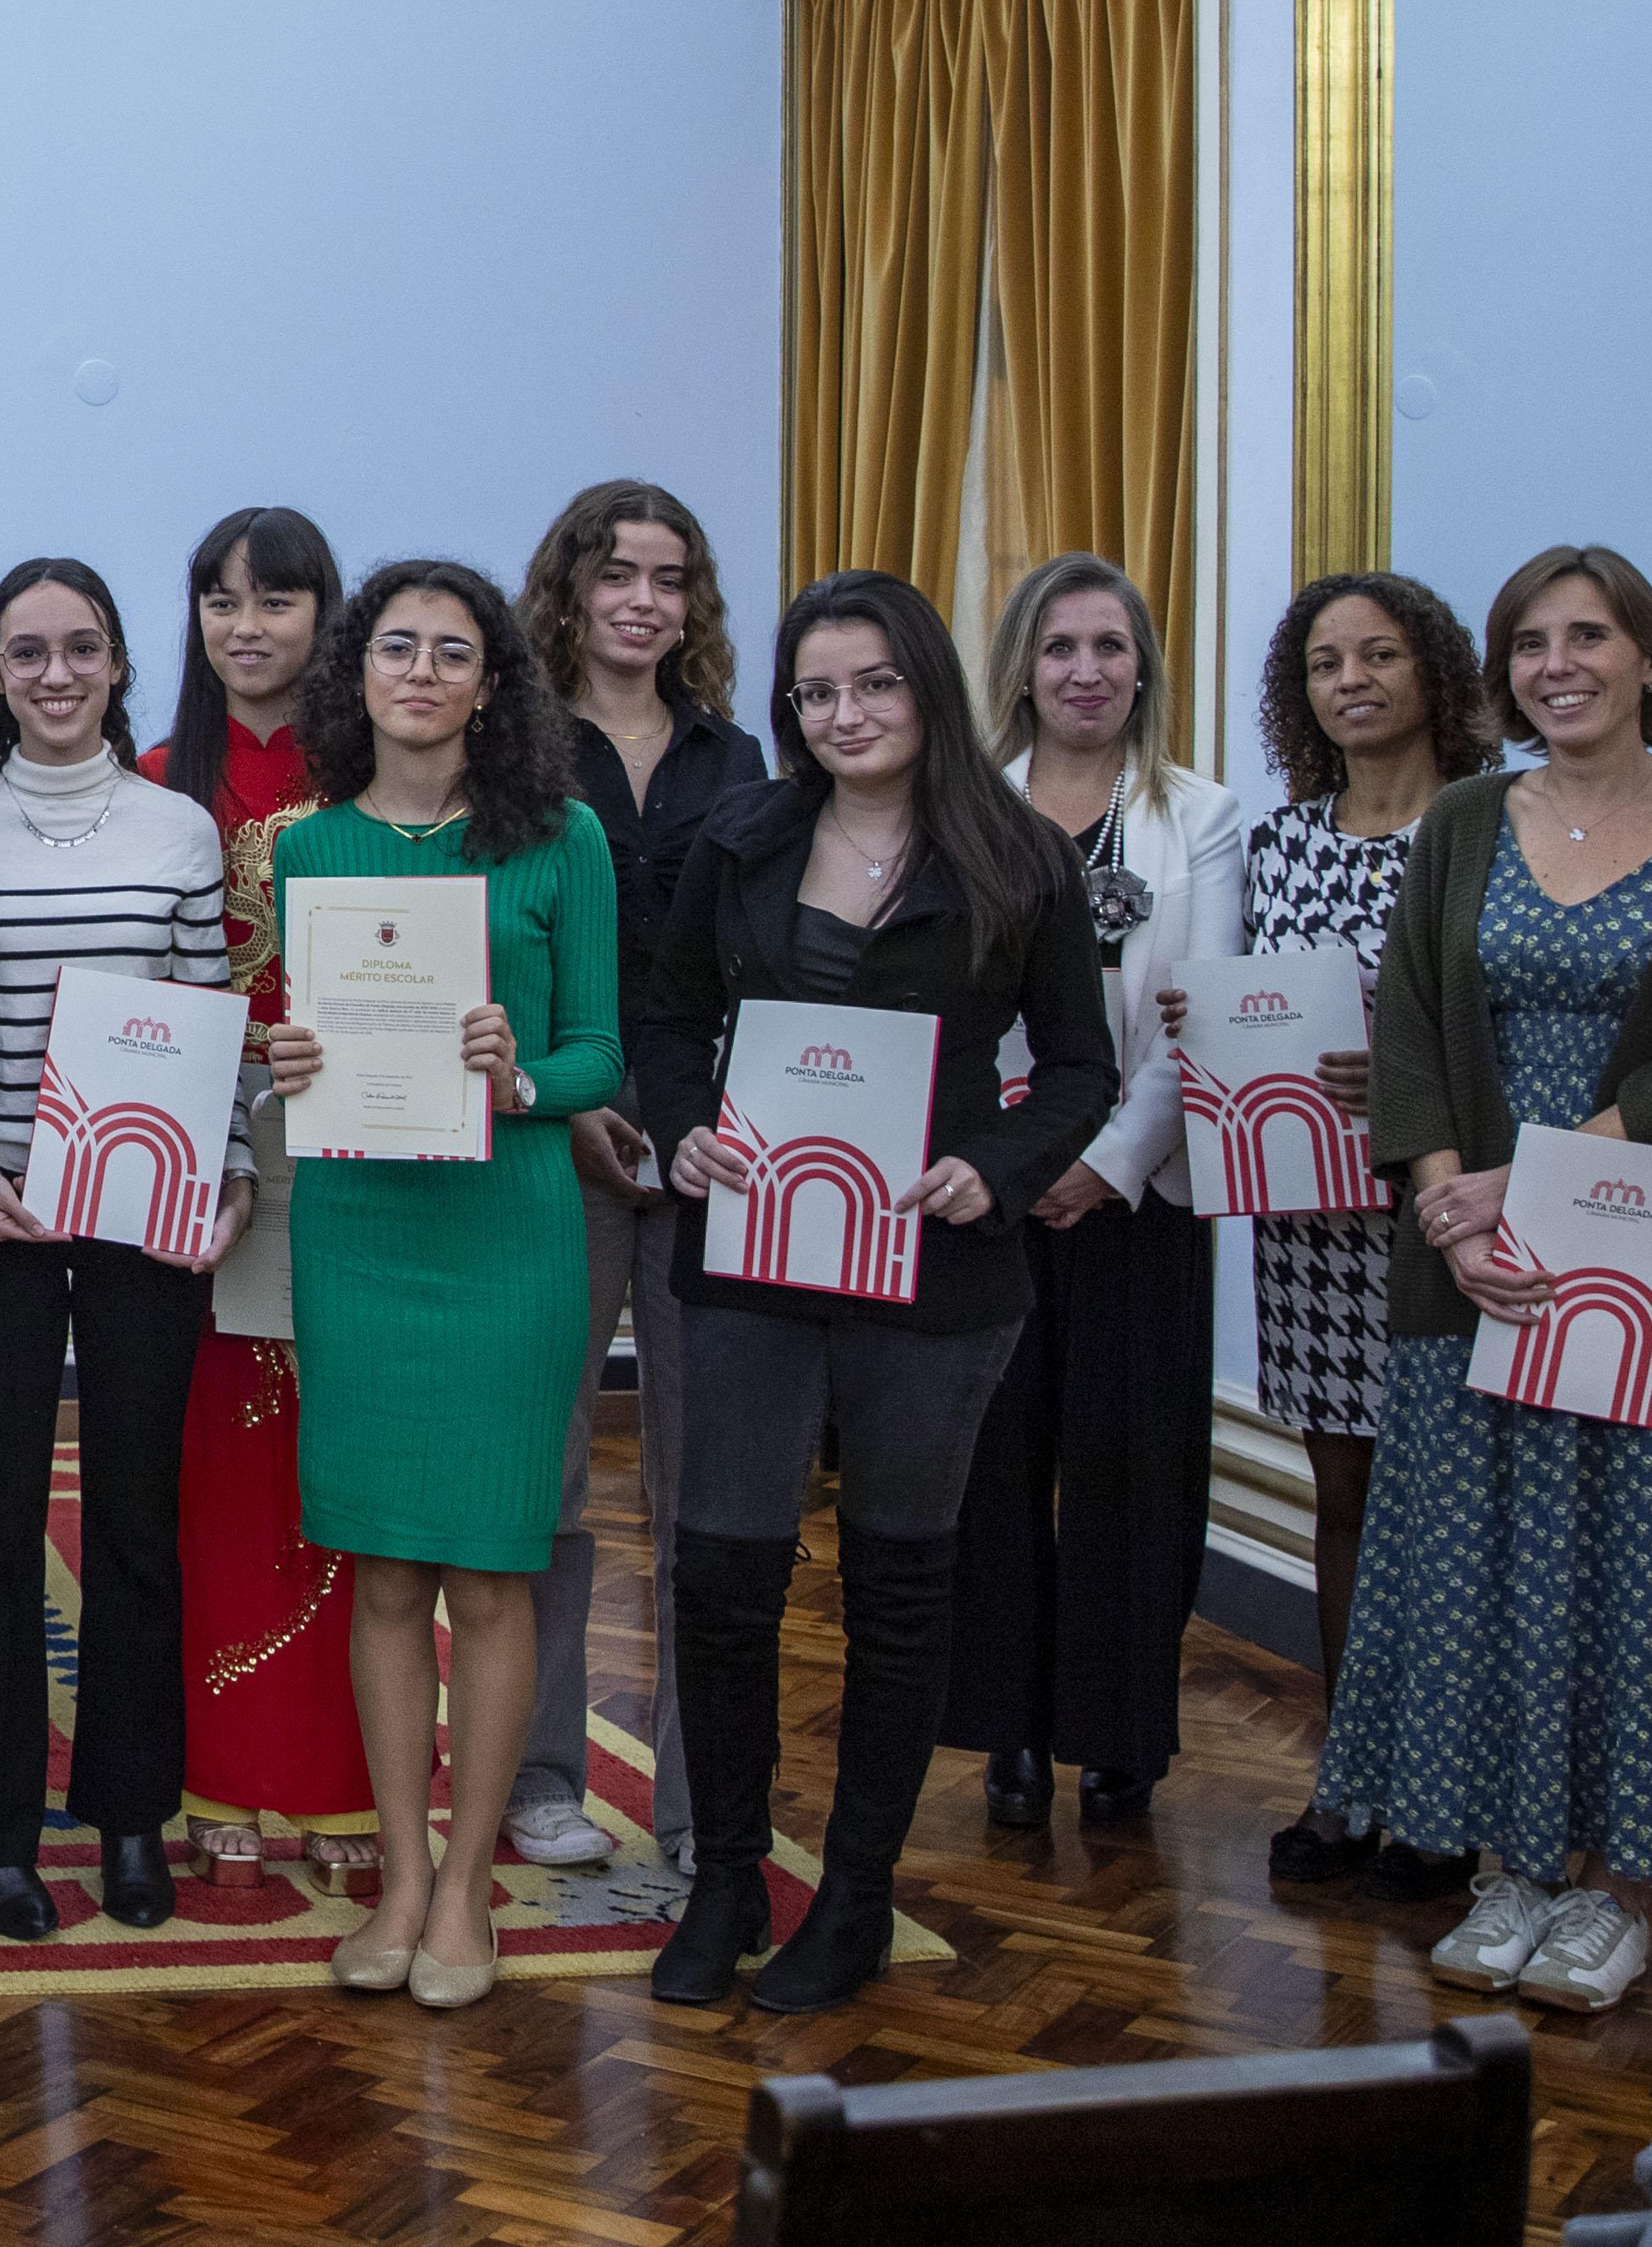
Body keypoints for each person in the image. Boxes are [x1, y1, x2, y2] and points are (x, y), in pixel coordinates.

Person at [1319, 545, 1652, 2016]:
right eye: (1530, 642)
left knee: (1637, 1579)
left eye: (1589, 636)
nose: (1558, 664)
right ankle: (1508, 1872)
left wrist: (1534, 1180)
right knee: (1482, 1577)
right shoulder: (1465, 821)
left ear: (1649, 658)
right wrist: (1448, 1211)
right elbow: (1405, 1027)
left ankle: (1607, 1893)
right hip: (1475, 1270)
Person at [636, 569, 1116, 2015]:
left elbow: (1084, 1068)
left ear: (929, 688)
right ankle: (725, 1881)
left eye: (873, 684)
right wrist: (687, 1128)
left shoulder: (1022, 857)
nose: (844, 714)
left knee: (901, 1587)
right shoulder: (741, 839)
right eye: (816, 693)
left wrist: (997, 1165)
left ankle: (850, 1901)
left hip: (940, 1271)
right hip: (754, 1258)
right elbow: (665, 1021)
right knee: (724, 1576)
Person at [253, 557, 620, 2009]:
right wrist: (282, 1062)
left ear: (492, 682)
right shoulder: (308, 850)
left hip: (508, 1235)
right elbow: (310, 1045)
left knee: (492, 1565)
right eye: (395, 647)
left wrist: (520, 1075)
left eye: (451, 651)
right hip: (360, 1231)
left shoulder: (561, 840)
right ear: (357, 677)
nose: (420, 671)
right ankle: (400, 1878)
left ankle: (471, 1890)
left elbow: (600, 1054)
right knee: (388, 1566)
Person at [0, 558, 252, 1942]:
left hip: (146, 1213)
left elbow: (208, 1016)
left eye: (82, 650)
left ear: (120, 665)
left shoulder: (182, 830)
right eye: (26, 654)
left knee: (133, 1518)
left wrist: (227, 1170)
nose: (55, 675)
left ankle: (132, 1818)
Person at [952, 554, 1245, 1835]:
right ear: (1022, 667)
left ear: (1144, 666)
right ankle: (1010, 1728)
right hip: (985, 1192)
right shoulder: (964, 810)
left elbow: (1211, 1016)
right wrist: (1022, 1167)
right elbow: (951, 1009)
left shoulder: (1205, 817)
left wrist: (1108, 1162)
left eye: (1110, 647)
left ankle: (1122, 1730)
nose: (1086, 671)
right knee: (995, 1463)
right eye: (1060, 647)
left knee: (1134, 1468)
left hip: (1144, 1193)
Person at [1217, 569, 1497, 1892]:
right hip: (1310, 1228)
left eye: (1381, 655)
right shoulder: (1277, 843)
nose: (1354, 683)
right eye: (1328, 664)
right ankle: (1352, 1781)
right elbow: (1252, 1000)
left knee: (1453, 1508)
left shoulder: (1492, 828)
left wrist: (1401, 1077)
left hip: (1448, 1216)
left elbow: (1512, 1033)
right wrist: (1213, 1039)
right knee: (1344, 1496)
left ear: (1437, 674)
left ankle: (1448, 1796)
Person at [510, 480, 763, 1877]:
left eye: (671, 578)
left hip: (714, 1160)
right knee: (547, 1481)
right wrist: (573, 1110)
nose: (644, 600)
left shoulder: (741, 761)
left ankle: (692, 1802)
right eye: (618, 574)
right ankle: (542, 1772)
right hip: (559, 1143)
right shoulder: (515, 750)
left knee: (700, 1489)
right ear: (572, 589)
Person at [146, 506, 379, 1877]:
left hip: (358, 1151)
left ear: (323, 616)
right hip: (207, 1159)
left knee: (343, 1450)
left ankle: (343, 1775)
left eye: (276, 601)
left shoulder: (383, 779)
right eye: (219, 600)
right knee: (222, 1452)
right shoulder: (160, 778)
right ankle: (224, 1771)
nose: (245, 626)